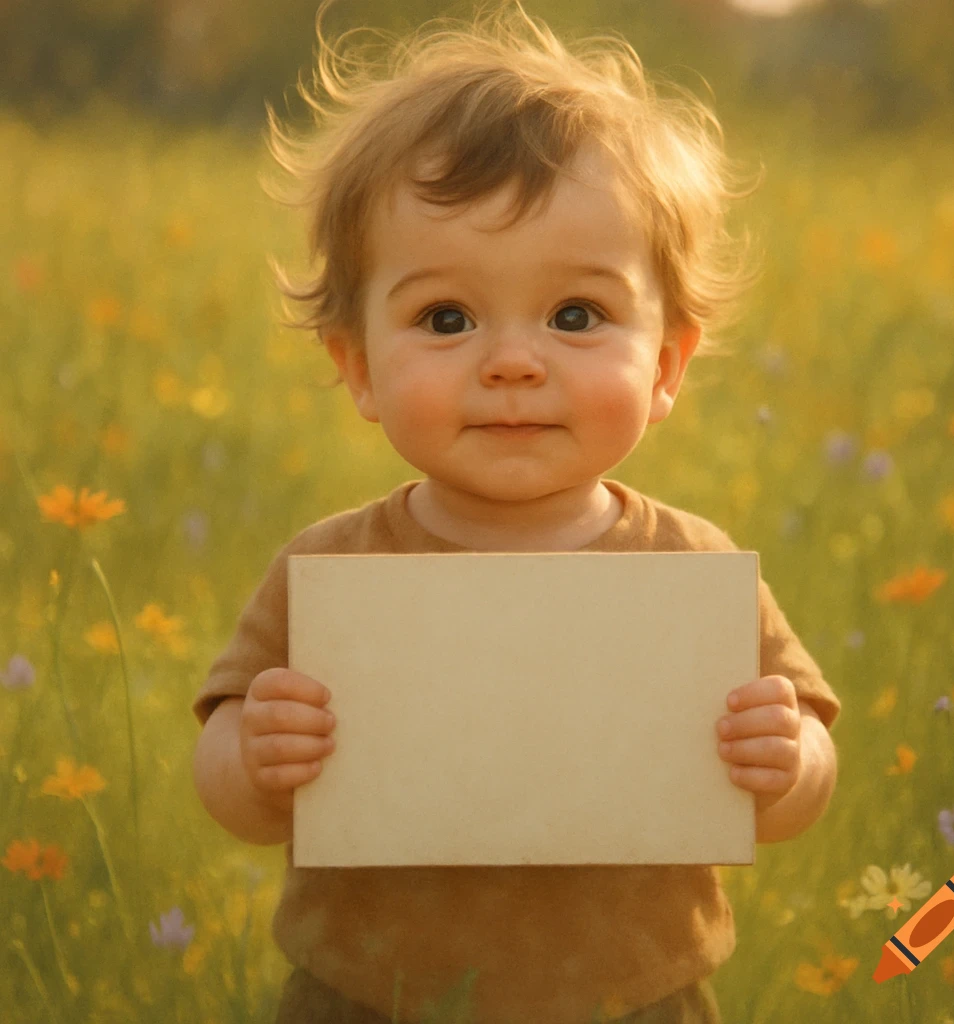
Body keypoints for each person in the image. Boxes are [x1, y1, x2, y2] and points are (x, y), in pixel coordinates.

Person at [191, 2, 842, 1022]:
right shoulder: (339, 567)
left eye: (574, 315)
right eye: (445, 318)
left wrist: (786, 758)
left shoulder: (685, 566)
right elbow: (228, 780)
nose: (511, 360)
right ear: (356, 365)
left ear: (667, 362)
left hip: (636, 996)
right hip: (367, 995)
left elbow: (799, 780)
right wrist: (256, 755)